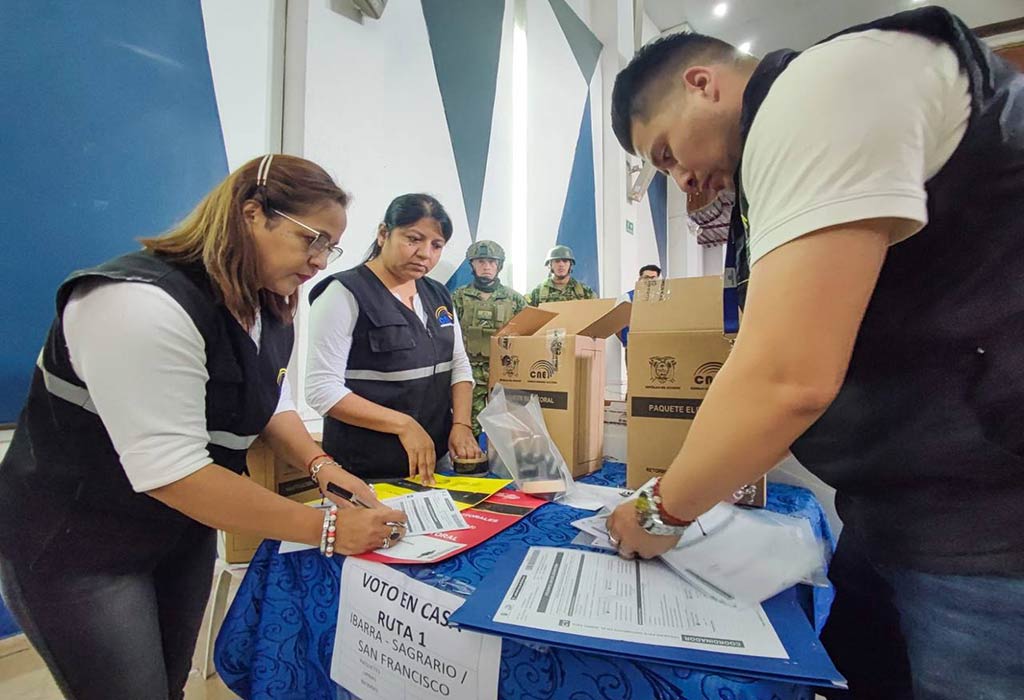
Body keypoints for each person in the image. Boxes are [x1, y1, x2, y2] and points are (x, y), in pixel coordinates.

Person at [606, 7, 1023, 699]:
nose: (679, 181)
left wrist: (661, 511)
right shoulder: (769, 170)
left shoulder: (820, 90)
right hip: (901, 509)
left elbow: (787, 378)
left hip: (988, 533)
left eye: (667, 153)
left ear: (703, 84)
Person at [0, 155, 407, 700]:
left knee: (167, 685)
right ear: (251, 214)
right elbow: (175, 473)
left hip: (176, 532)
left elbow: (269, 400)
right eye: (311, 240)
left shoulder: (267, 304)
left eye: (329, 248)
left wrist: (322, 467)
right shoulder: (139, 301)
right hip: (82, 543)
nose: (318, 261)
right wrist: (326, 530)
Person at [306, 194, 482, 485]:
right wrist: (403, 425)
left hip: (433, 464)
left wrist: (461, 424)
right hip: (366, 470)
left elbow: (459, 364)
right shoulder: (344, 294)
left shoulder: (438, 295)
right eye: (413, 239)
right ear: (383, 234)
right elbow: (321, 390)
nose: (425, 253)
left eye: (436, 245)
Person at [451, 240, 528, 436]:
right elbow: (448, 335)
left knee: (508, 422)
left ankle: (505, 463)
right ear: (472, 265)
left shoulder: (515, 299)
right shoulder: (458, 297)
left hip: (505, 369)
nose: (486, 267)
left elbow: (529, 334)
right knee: (469, 423)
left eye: (492, 262)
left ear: (499, 266)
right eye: (481, 261)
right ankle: (470, 459)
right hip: (470, 372)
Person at [527, 245, 596, 305]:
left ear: (570, 265)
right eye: (557, 261)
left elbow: (597, 313)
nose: (561, 265)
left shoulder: (584, 291)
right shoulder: (537, 293)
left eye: (565, 261)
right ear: (550, 265)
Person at [617, 263, 661, 348]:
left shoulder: (661, 299)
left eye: (653, 278)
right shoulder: (627, 297)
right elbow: (616, 324)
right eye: (646, 277)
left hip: (656, 345)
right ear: (640, 279)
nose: (649, 281)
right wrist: (627, 343)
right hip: (634, 346)